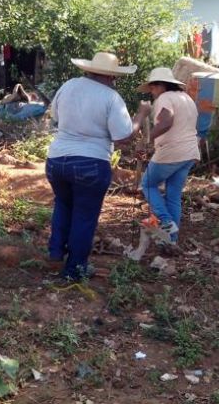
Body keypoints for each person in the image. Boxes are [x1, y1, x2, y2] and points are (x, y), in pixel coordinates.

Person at [46, 52, 152, 281]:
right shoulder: (111, 97)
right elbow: (123, 136)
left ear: (89, 70)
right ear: (111, 77)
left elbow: (55, 115)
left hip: (57, 160)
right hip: (91, 163)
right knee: (84, 216)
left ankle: (55, 251)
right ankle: (75, 270)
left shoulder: (69, 85)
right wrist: (141, 115)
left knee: (63, 205)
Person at [137, 67, 200, 244]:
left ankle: (166, 222)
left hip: (172, 151)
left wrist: (148, 140)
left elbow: (166, 121)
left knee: (147, 184)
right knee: (173, 195)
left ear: (161, 85)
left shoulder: (164, 98)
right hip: (190, 152)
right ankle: (171, 240)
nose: (152, 91)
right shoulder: (186, 98)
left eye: (153, 87)